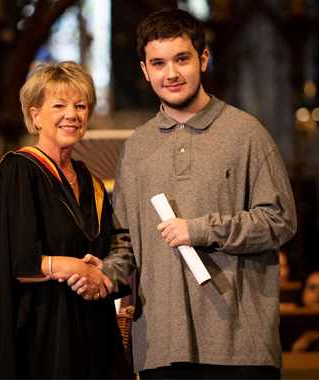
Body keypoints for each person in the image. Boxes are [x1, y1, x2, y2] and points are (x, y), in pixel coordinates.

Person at [70, 7, 297, 379]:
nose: (171, 73)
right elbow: (125, 242)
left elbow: (281, 220)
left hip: (240, 347)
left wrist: (203, 229)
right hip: (161, 347)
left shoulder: (246, 133)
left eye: (182, 59)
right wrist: (106, 274)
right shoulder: (137, 148)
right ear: (145, 70)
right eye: (158, 63)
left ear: (203, 59)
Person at [0, 61, 131, 379]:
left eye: (81, 105)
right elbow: (9, 259)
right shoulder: (19, 171)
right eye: (59, 105)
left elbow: (114, 246)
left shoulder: (89, 181)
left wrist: (102, 274)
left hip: (90, 325)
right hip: (41, 332)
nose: (72, 114)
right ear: (35, 115)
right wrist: (72, 267)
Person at [291, 271, 319, 351]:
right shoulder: (288, 320)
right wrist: (306, 340)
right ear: (302, 293)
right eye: (311, 287)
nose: (317, 291)